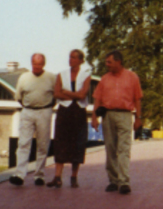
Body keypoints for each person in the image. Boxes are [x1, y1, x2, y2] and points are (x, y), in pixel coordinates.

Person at [91, 50, 142, 194]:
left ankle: (124, 181)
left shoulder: (132, 77)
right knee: (110, 148)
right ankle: (113, 180)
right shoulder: (104, 79)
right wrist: (94, 117)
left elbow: (138, 98)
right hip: (108, 115)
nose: (107, 64)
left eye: (109, 62)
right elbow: (97, 99)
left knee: (124, 148)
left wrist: (138, 118)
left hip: (125, 115)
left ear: (118, 62)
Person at [9, 53, 56, 186]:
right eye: (34, 64)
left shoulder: (51, 77)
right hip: (28, 111)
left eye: (39, 64)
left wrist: (46, 107)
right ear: (31, 63)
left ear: (44, 64)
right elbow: (19, 97)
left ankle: (39, 175)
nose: (37, 67)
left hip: (44, 111)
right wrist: (29, 106)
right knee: (23, 143)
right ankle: (19, 174)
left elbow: (56, 96)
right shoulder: (24, 77)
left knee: (43, 144)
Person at [47, 49, 92, 188]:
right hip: (64, 111)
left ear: (80, 60)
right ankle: (57, 176)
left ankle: (74, 176)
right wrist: (74, 95)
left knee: (77, 143)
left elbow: (82, 95)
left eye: (73, 57)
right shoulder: (61, 74)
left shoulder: (86, 75)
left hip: (78, 111)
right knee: (61, 142)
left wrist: (66, 92)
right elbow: (56, 93)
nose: (70, 60)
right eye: (70, 57)